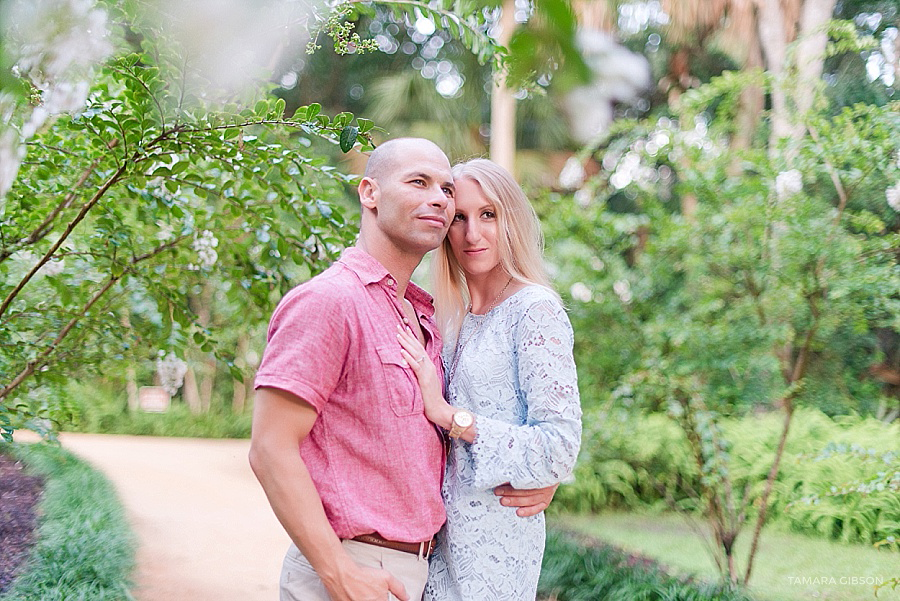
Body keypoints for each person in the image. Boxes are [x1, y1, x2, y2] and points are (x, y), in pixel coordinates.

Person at [249, 138, 557, 601]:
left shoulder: (425, 317)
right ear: (369, 193)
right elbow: (270, 447)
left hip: (423, 572)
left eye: (446, 189)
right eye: (418, 182)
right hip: (353, 568)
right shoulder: (330, 301)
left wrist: (534, 470)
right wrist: (338, 572)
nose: (438, 198)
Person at [396, 158, 582, 600]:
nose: (472, 234)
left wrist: (448, 415)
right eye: (458, 217)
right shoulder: (454, 319)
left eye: (488, 215)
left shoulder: (534, 309)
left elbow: (559, 445)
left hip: (496, 547)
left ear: (510, 220)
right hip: (441, 547)